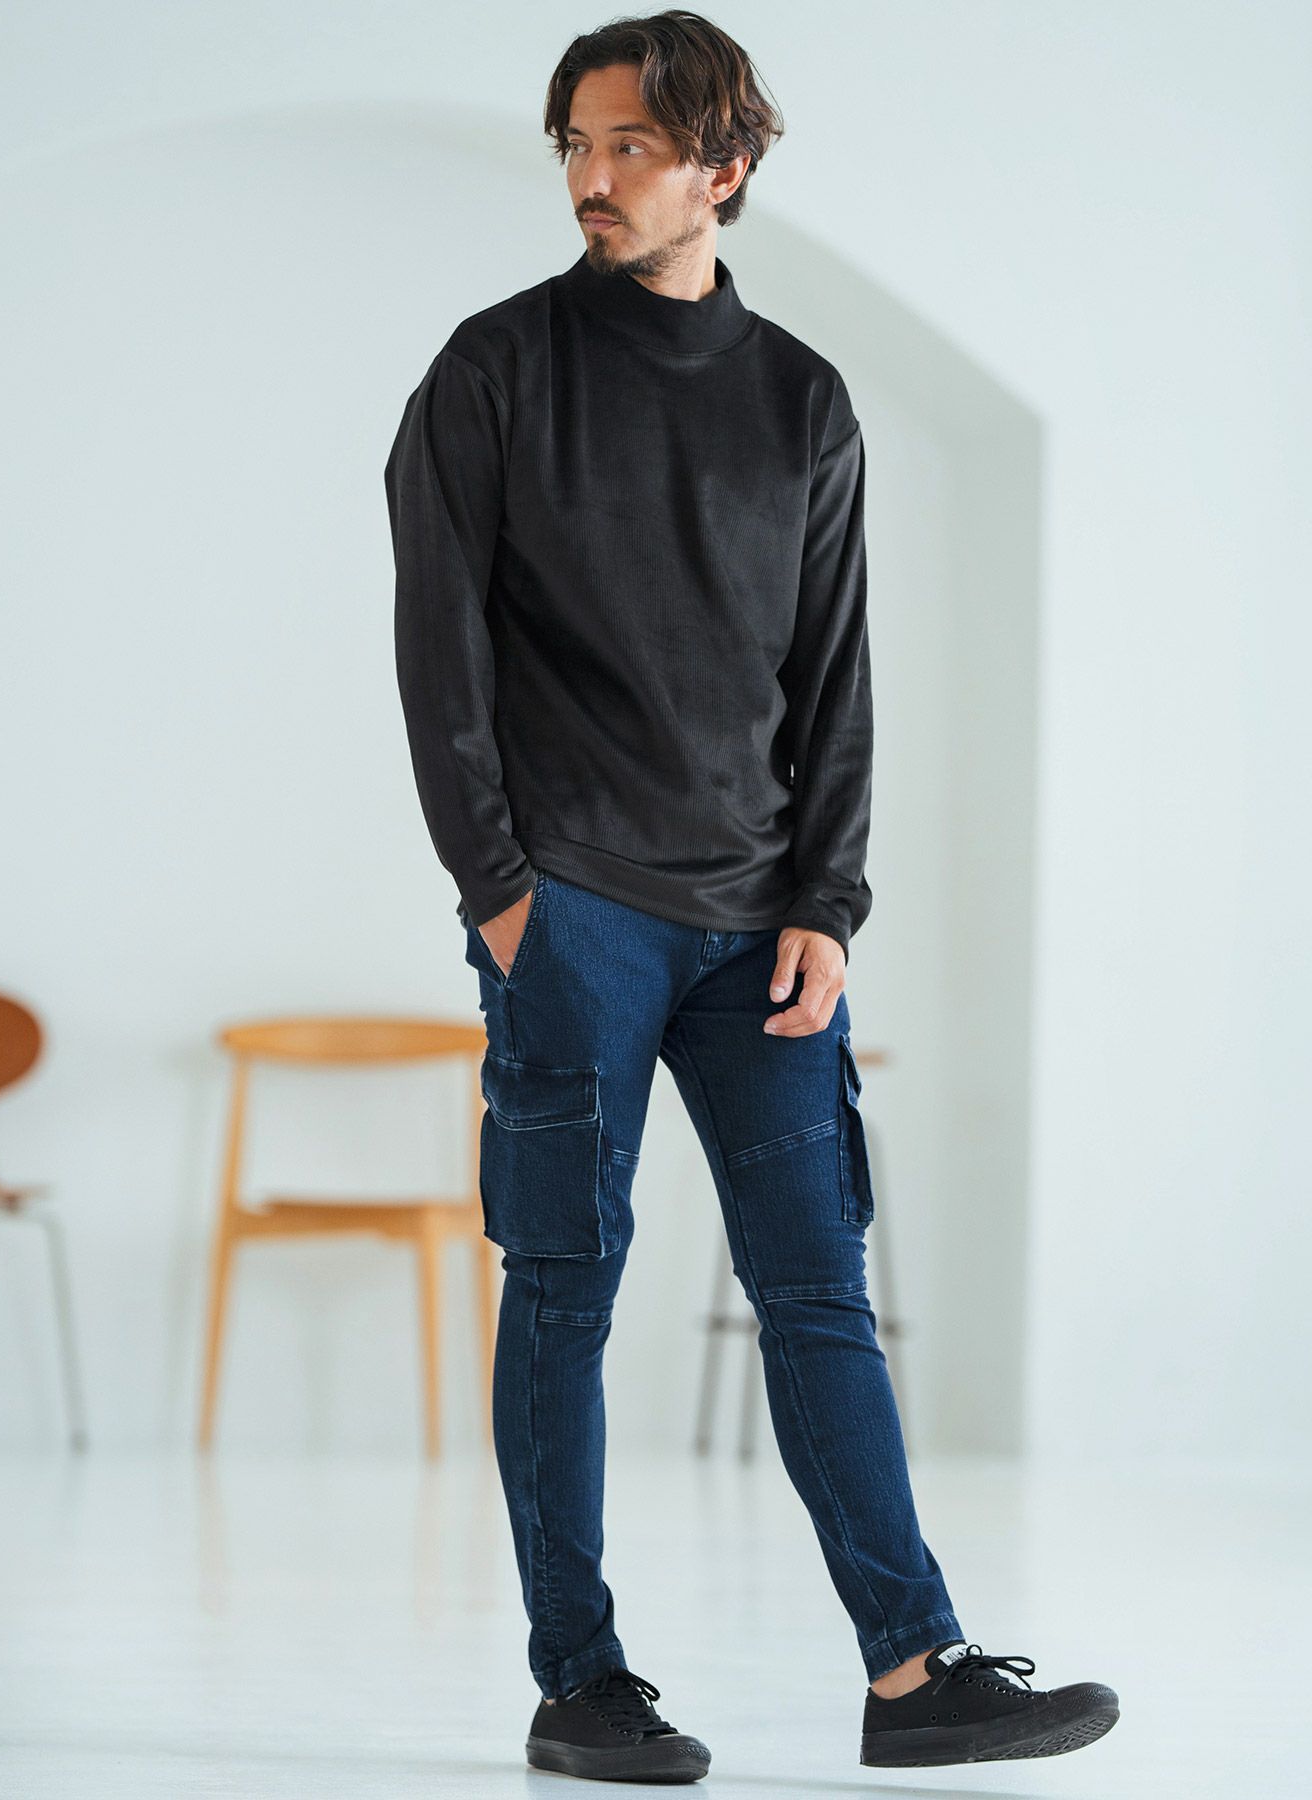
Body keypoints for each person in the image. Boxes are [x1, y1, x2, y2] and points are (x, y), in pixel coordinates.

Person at [384, 9, 1119, 1782]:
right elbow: (437, 648)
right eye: (575, 143)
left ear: (724, 165)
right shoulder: (491, 371)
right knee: (565, 1290)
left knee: (817, 1289)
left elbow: (834, 677)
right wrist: (500, 893)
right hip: (572, 913)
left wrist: (829, 904)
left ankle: (915, 1674)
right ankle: (581, 1684)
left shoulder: (802, 399)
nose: (591, 176)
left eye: (629, 145)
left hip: (761, 932)